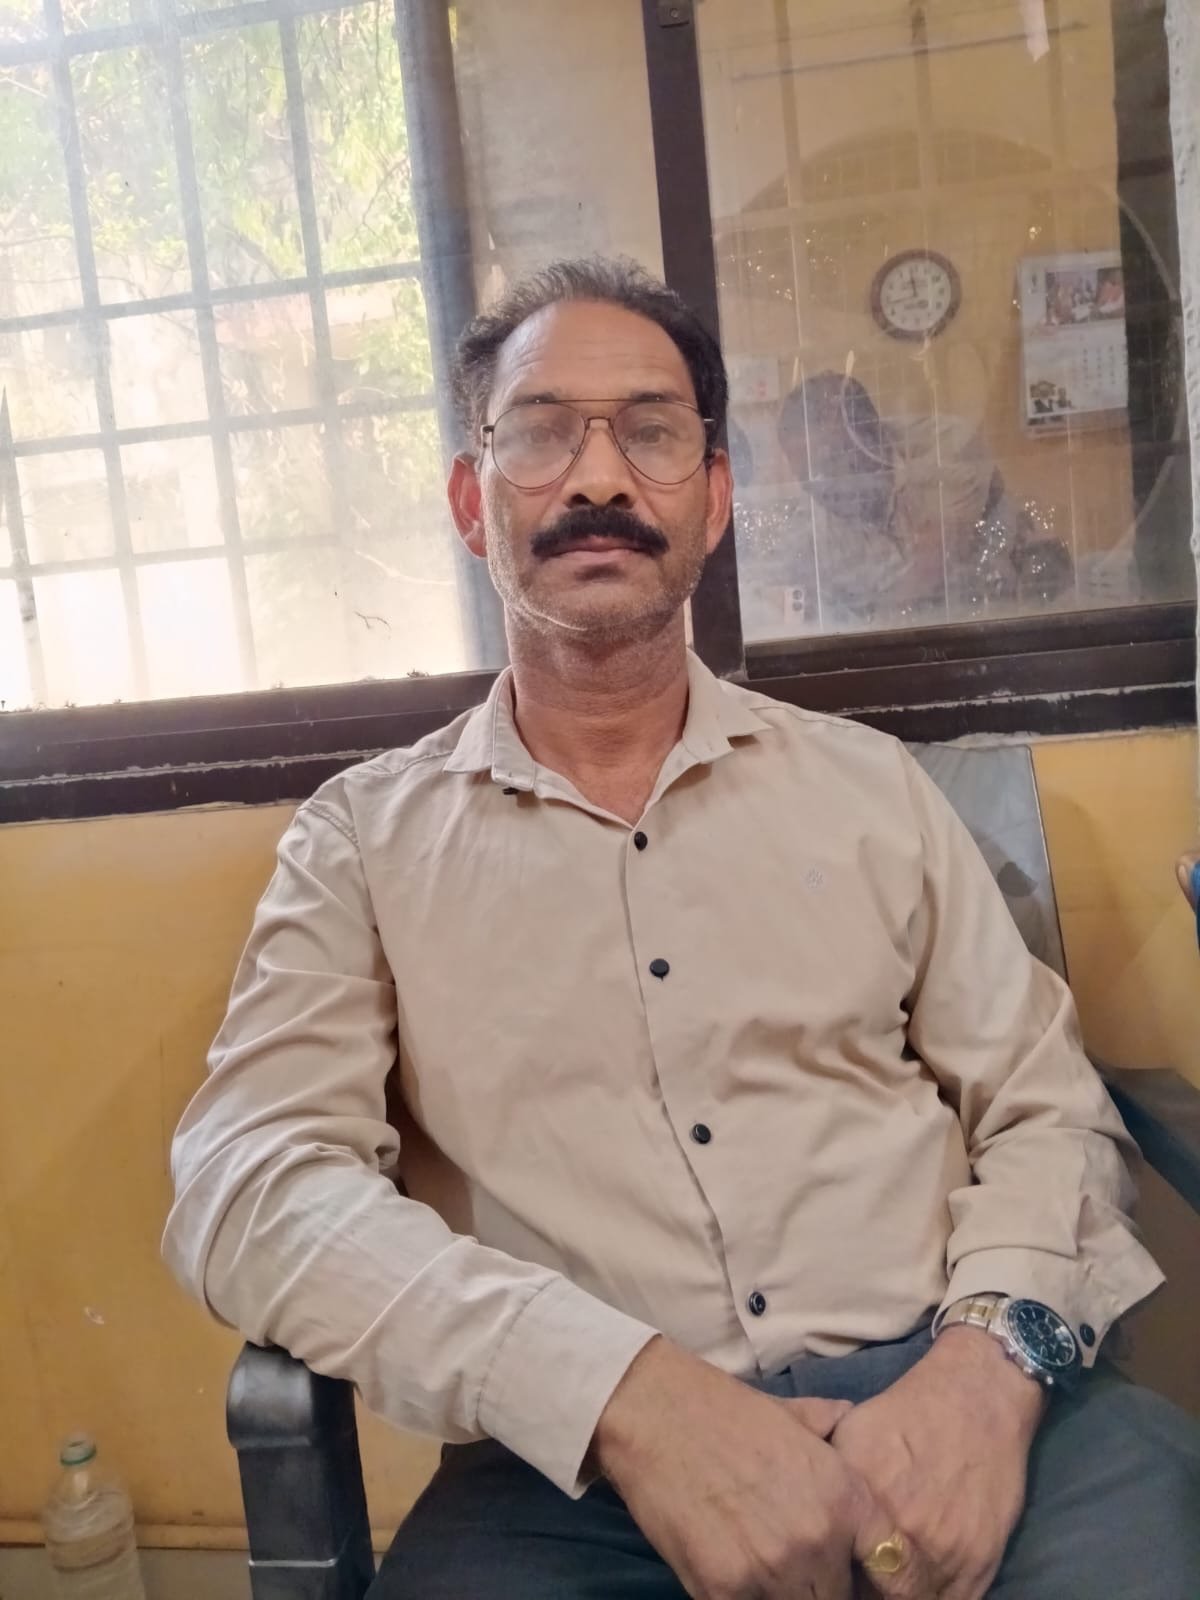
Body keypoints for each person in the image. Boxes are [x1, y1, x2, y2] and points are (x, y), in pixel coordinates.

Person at [164, 257, 1200, 1600]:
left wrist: (989, 1375)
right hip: (570, 1477)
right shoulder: (361, 842)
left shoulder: (870, 788)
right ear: (475, 501)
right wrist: (622, 1394)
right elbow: (252, 1183)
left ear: (713, 501)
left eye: (650, 432)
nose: (598, 478)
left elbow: (1045, 1107)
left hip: (963, 1395)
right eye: (543, 432)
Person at [776, 372, 1073, 627]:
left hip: (1011, 615)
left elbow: (933, 565)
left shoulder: (945, 447)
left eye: (830, 466)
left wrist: (873, 627)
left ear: (871, 441)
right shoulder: (810, 520)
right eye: (806, 478)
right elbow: (784, 597)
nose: (822, 489)